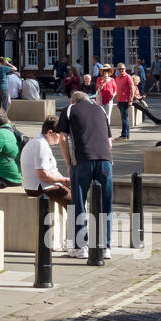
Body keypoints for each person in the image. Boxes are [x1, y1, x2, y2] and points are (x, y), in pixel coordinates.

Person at [55, 91, 114, 259]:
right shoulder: (101, 109)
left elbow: (63, 139)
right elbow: (109, 141)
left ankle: (81, 247)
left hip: (82, 160)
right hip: (105, 160)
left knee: (79, 203)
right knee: (105, 203)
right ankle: (105, 247)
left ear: (73, 100)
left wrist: (68, 163)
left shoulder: (69, 109)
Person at [20, 117, 73, 248]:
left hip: (42, 184)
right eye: (59, 134)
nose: (60, 138)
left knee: (76, 197)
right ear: (50, 132)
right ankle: (74, 242)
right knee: (75, 202)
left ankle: (72, 239)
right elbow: (43, 174)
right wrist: (64, 180)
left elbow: (50, 170)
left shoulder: (40, 142)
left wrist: (64, 181)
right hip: (39, 186)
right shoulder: (40, 145)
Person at [114, 63, 134, 139]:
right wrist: (117, 101)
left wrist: (131, 100)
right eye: (119, 69)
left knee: (125, 118)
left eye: (122, 69)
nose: (121, 70)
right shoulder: (117, 77)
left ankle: (125, 135)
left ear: (125, 69)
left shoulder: (128, 77)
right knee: (123, 118)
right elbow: (117, 90)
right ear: (117, 70)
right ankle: (124, 134)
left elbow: (132, 89)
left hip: (126, 100)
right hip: (120, 100)